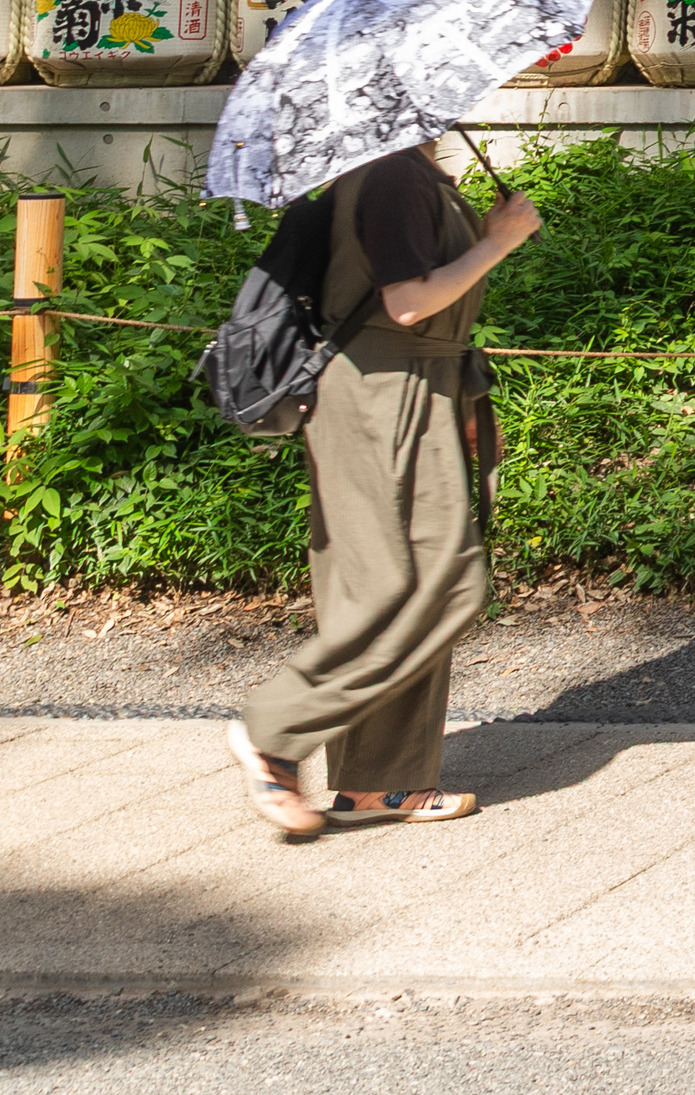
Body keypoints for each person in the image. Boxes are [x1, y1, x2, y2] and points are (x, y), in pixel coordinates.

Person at [224, 140, 540, 838]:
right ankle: (274, 729)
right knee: (410, 583)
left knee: (414, 578)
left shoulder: (412, 170)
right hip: (378, 394)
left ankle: (380, 782)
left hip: (414, 386)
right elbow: (406, 303)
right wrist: (498, 242)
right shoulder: (391, 173)